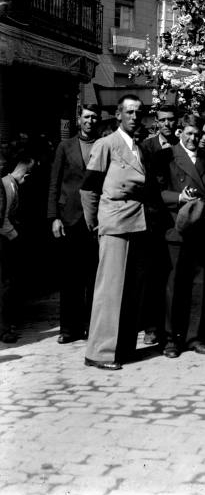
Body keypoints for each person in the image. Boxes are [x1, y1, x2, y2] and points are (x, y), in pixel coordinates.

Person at [80, 95, 161, 371]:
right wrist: (96, 224)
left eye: (139, 112)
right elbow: (89, 189)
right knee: (110, 290)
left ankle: (123, 349)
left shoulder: (138, 148)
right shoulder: (107, 145)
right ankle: (100, 352)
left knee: (131, 291)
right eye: (129, 112)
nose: (135, 117)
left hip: (137, 223)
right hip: (114, 223)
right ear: (118, 115)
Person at [157, 114, 205, 358]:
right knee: (173, 285)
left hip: (201, 229)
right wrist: (178, 197)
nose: (193, 138)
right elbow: (155, 192)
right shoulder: (165, 157)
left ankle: (194, 336)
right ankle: (170, 338)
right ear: (180, 131)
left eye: (197, 134)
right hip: (176, 228)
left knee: (198, 285)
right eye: (189, 133)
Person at [47, 104, 101, 344]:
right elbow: (54, 183)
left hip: (96, 221)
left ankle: (91, 327)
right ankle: (69, 329)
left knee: (93, 277)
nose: (90, 121)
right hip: (69, 219)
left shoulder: (103, 145)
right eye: (87, 117)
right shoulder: (65, 146)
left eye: (94, 118)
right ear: (79, 119)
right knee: (70, 278)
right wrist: (54, 217)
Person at [140, 104, 180, 347]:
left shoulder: (181, 145)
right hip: (154, 218)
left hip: (176, 217)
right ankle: (151, 326)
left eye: (171, 120)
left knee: (173, 276)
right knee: (153, 275)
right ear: (157, 121)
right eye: (163, 120)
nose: (167, 124)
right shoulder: (147, 147)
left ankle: (173, 325)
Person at [0, 154, 35, 344]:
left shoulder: (10, 183)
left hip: (7, 238)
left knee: (9, 284)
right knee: (5, 285)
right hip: (5, 239)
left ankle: (7, 324)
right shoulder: (7, 185)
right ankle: (4, 328)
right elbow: (2, 218)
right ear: (25, 173)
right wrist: (16, 237)